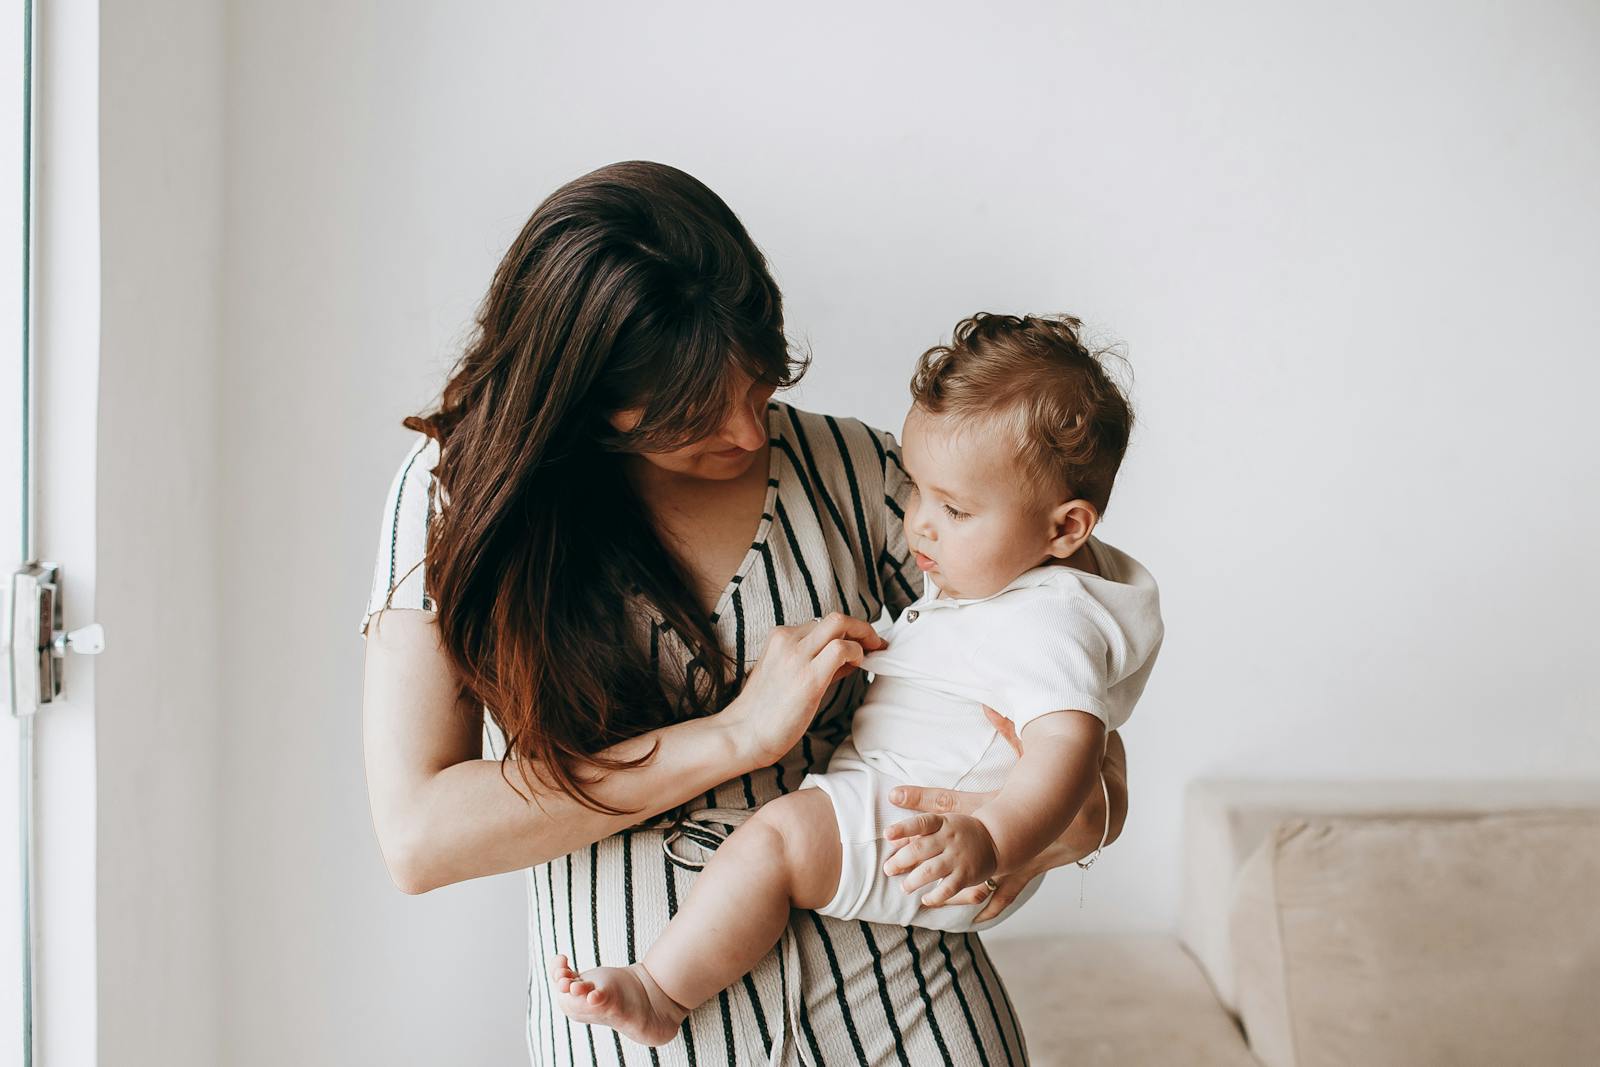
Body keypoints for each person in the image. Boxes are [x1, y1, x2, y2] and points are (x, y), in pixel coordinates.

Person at [360, 161, 1131, 1066]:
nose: (747, 434)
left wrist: (1040, 830)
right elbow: (420, 836)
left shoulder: (868, 474)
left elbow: (1082, 733)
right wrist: (733, 737)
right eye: (692, 418)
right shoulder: (458, 499)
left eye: (759, 386)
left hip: (915, 1022)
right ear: (586, 405)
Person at [548, 313, 1163, 1050]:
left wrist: (991, 838)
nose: (921, 526)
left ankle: (659, 989)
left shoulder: (1052, 622)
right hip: (919, 817)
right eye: (918, 492)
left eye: (955, 509)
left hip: (929, 834)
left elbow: (1069, 748)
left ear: (1066, 528)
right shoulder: (1004, 574)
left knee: (771, 844)